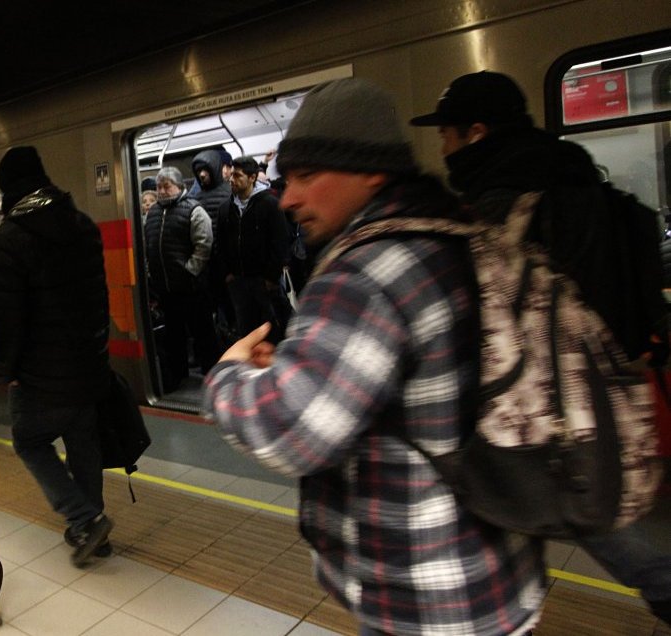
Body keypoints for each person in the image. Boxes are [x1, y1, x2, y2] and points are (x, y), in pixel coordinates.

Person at [204, 78, 546, 636]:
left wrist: (228, 374)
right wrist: (303, 368)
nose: (288, 197)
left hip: (426, 595)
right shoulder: (459, 232)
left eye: (308, 176)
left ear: (370, 171)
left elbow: (292, 430)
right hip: (498, 570)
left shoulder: (367, 270)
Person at [411, 69, 671, 625]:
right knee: (603, 526)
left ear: (476, 132)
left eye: (448, 134)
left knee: (601, 533)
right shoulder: (581, 181)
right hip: (609, 396)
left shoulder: (502, 206)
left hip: (545, 415)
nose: (443, 146)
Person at [0, 145, 114, 567]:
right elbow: (99, 296)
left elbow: (8, 319)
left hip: (39, 376)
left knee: (29, 441)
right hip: (88, 363)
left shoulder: (8, 240)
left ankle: (84, 517)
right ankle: (90, 525)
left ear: (8, 189)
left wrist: (4, 369)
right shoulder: (83, 225)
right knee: (83, 443)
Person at [144, 166, 218, 389]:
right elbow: (149, 243)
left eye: (166, 186)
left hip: (191, 286)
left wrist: (190, 270)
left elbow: (204, 244)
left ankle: (214, 374)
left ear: (179, 186)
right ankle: (177, 374)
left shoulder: (193, 210)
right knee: (173, 335)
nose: (161, 191)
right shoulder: (154, 212)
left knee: (202, 333)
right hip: (165, 288)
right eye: (159, 187)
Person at [214, 155, 289, 341]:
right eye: (231, 175)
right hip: (238, 280)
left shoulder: (269, 204)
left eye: (238, 175)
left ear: (252, 178)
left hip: (263, 280)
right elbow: (220, 243)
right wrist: (227, 274)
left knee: (272, 328)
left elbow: (280, 241)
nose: (232, 180)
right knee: (247, 331)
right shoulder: (225, 209)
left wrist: (271, 276)